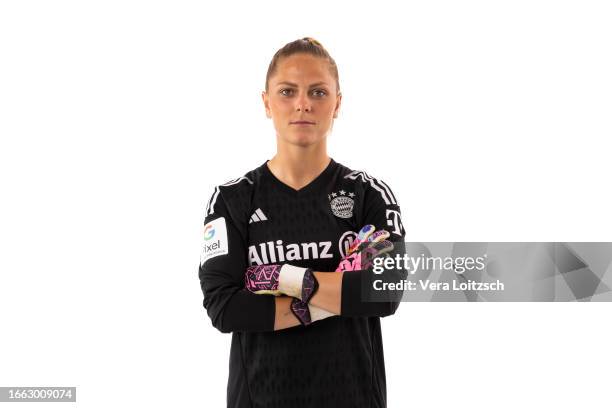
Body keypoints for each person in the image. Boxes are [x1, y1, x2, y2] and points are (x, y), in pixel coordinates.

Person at [199, 37, 406, 408]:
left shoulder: (369, 195)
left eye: (318, 92)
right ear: (266, 102)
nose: (303, 104)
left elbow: (385, 291)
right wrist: (339, 294)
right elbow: (225, 307)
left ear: (337, 103)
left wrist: (282, 278)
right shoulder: (231, 199)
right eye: (287, 91)